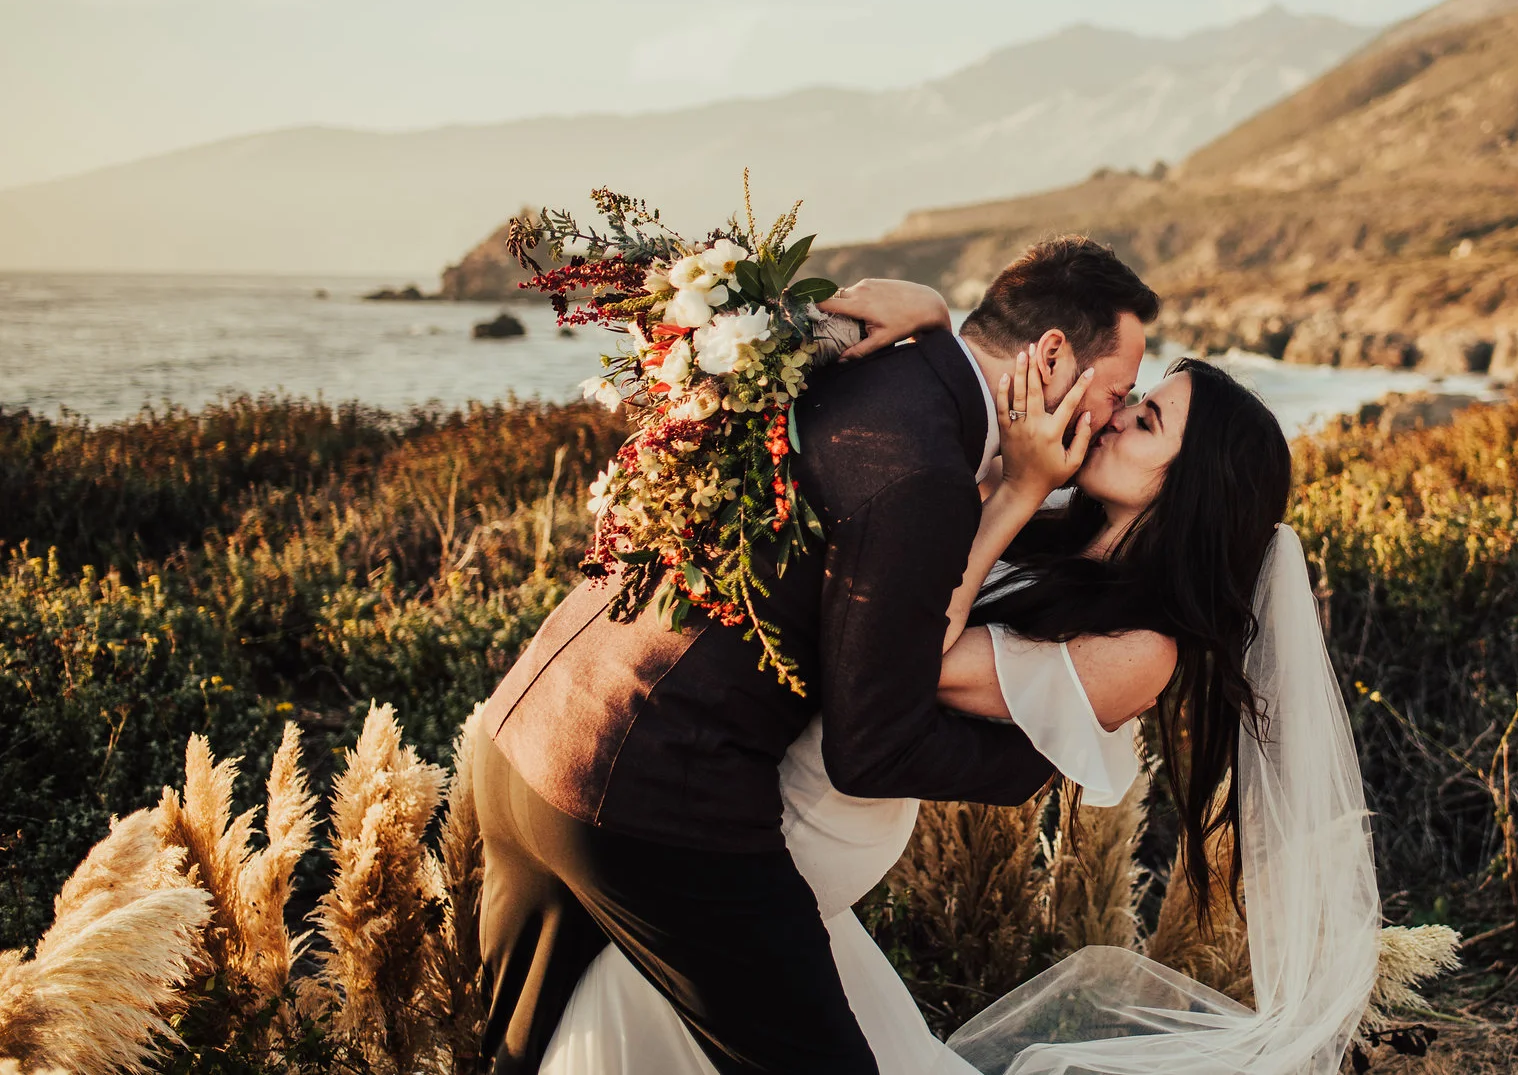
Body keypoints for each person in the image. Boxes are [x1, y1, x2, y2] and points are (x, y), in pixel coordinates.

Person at [538, 279, 1383, 1075]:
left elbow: (914, 653)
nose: (1116, 413)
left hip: (813, 825)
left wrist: (1017, 491)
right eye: (1134, 397)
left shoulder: (1140, 648)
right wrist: (940, 317)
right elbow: (928, 469)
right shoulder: (1064, 529)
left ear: (1188, 490)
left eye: (1146, 418)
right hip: (772, 790)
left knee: (633, 1006)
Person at [475, 237, 1157, 1075]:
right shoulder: (926, 471)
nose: (1111, 416)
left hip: (523, 738)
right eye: (1117, 390)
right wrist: (1037, 761)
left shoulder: (871, 362)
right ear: (1052, 353)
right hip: (650, 807)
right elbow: (873, 747)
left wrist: (940, 315)